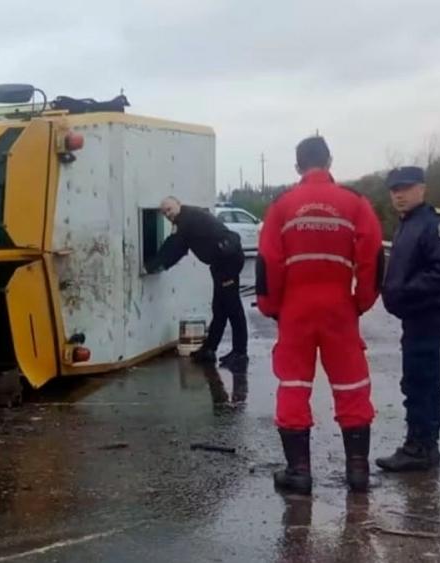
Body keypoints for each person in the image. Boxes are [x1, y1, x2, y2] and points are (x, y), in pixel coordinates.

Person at [256, 136, 383, 494]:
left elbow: (269, 263)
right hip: (340, 307)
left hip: (296, 309)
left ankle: (299, 472)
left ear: (297, 166)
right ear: (329, 161)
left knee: (294, 385)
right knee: (352, 383)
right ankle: (358, 471)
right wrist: (362, 301)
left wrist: (272, 307)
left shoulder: (282, 206)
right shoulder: (355, 203)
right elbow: (372, 257)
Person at [376, 166, 440, 472]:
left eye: (406, 188)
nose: (399, 195)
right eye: (394, 190)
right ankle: (423, 444)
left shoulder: (435, 224)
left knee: (420, 380)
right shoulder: (408, 223)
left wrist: (408, 292)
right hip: (415, 314)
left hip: (428, 312)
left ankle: (421, 447)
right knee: (419, 378)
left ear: (422, 188)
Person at [146, 197, 248, 369]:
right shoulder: (187, 219)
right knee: (220, 308)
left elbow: (174, 246)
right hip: (220, 263)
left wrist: (152, 265)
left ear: (179, 204)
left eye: (169, 209)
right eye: (164, 213)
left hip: (227, 261)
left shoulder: (186, 219)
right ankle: (209, 350)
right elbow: (177, 246)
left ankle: (240, 353)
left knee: (232, 308)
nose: (167, 215)